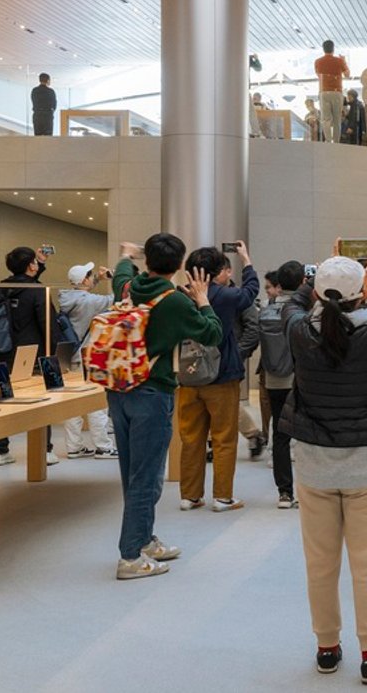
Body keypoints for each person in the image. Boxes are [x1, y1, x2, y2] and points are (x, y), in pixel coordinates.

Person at [286, 254, 367, 683]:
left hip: (313, 467)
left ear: (320, 294)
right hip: (365, 468)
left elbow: (294, 303)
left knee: (320, 563)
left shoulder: (299, 331)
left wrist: (315, 277)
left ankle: (326, 648)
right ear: (363, 293)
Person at [104, 232, 222, 580]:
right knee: (147, 476)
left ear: (148, 260)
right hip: (152, 394)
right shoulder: (174, 301)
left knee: (133, 471)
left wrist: (127, 254)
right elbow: (212, 334)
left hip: (120, 389)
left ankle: (143, 539)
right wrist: (203, 299)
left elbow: (121, 272)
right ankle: (130, 556)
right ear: (180, 264)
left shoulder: (129, 289)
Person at [177, 241, 260, 510]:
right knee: (224, 438)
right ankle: (223, 497)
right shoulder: (224, 296)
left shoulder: (179, 296)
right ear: (215, 272)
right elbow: (251, 291)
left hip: (188, 378)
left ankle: (190, 496)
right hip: (222, 377)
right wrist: (246, 260)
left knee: (191, 438)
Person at [0, 246, 51, 467]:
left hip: (2, 350)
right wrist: (54, 351)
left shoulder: (3, 287)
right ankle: (44, 450)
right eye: (34, 261)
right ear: (30, 266)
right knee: (41, 400)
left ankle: (0, 450)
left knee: (3, 399)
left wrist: (39, 264)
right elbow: (47, 323)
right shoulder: (37, 290)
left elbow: (23, 281)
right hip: (31, 353)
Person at [257, 262, 305, 507]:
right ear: (302, 282)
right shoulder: (305, 311)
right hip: (302, 378)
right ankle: (310, 492)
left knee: (280, 434)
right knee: (308, 433)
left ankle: (284, 493)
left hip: (274, 378)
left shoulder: (266, 311)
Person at [59, 262, 116, 458]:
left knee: (73, 403)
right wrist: (114, 278)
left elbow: (86, 290)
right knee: (97, 403)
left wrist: (98, 278)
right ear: (84, 280)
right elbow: (116, 299)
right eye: (91, 275)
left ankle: (74, 446)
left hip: (71, 357)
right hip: (90, 356)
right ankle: (103, 446)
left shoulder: (68, 298)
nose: (93, 277)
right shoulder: (89, 302)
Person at [315, 40, 349, 143]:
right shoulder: (339, 61)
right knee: (337, 119)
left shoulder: (318, 62)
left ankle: (328, 140)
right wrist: (344, 61)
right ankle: (336, 141)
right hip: (336, 91)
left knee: (326, 119)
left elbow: (318, 75)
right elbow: (347, 74)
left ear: (323, 49)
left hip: (324, 91)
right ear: (333, 49)